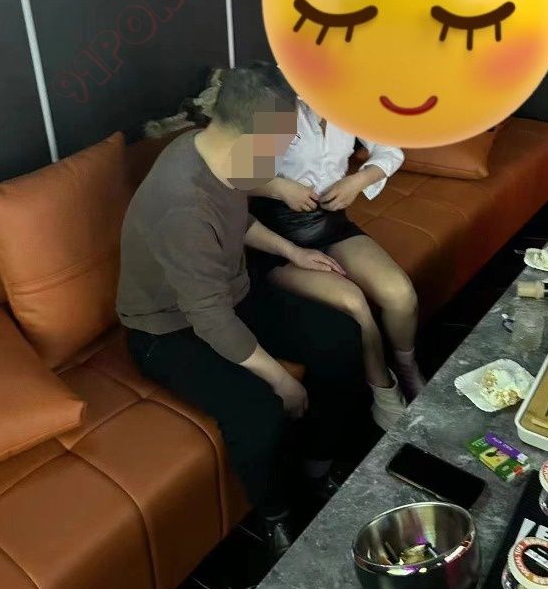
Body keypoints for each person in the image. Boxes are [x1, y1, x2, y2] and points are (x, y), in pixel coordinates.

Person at [117, 62, 368, 558]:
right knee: (258, 411)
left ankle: (317, 468)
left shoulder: (212, 149)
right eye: (282, 141)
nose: (286, 151)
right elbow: (210, 320)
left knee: (340, 337)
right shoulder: (180, 205)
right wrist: (283, 381)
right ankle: (276, 517)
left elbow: (236, 221)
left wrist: (293, 252)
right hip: (167, 329)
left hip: (228, 293)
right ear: (251, 136)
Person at [250, 99, 427, 421]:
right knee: (353, 302)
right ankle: (384, 393)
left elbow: (390, 151)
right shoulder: (275, 103)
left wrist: (357, 181)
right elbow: (232, 173)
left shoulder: (349, 101)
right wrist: (279, 187)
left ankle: (407, 367)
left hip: (330, 223)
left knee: (400, 293)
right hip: (274, 236)